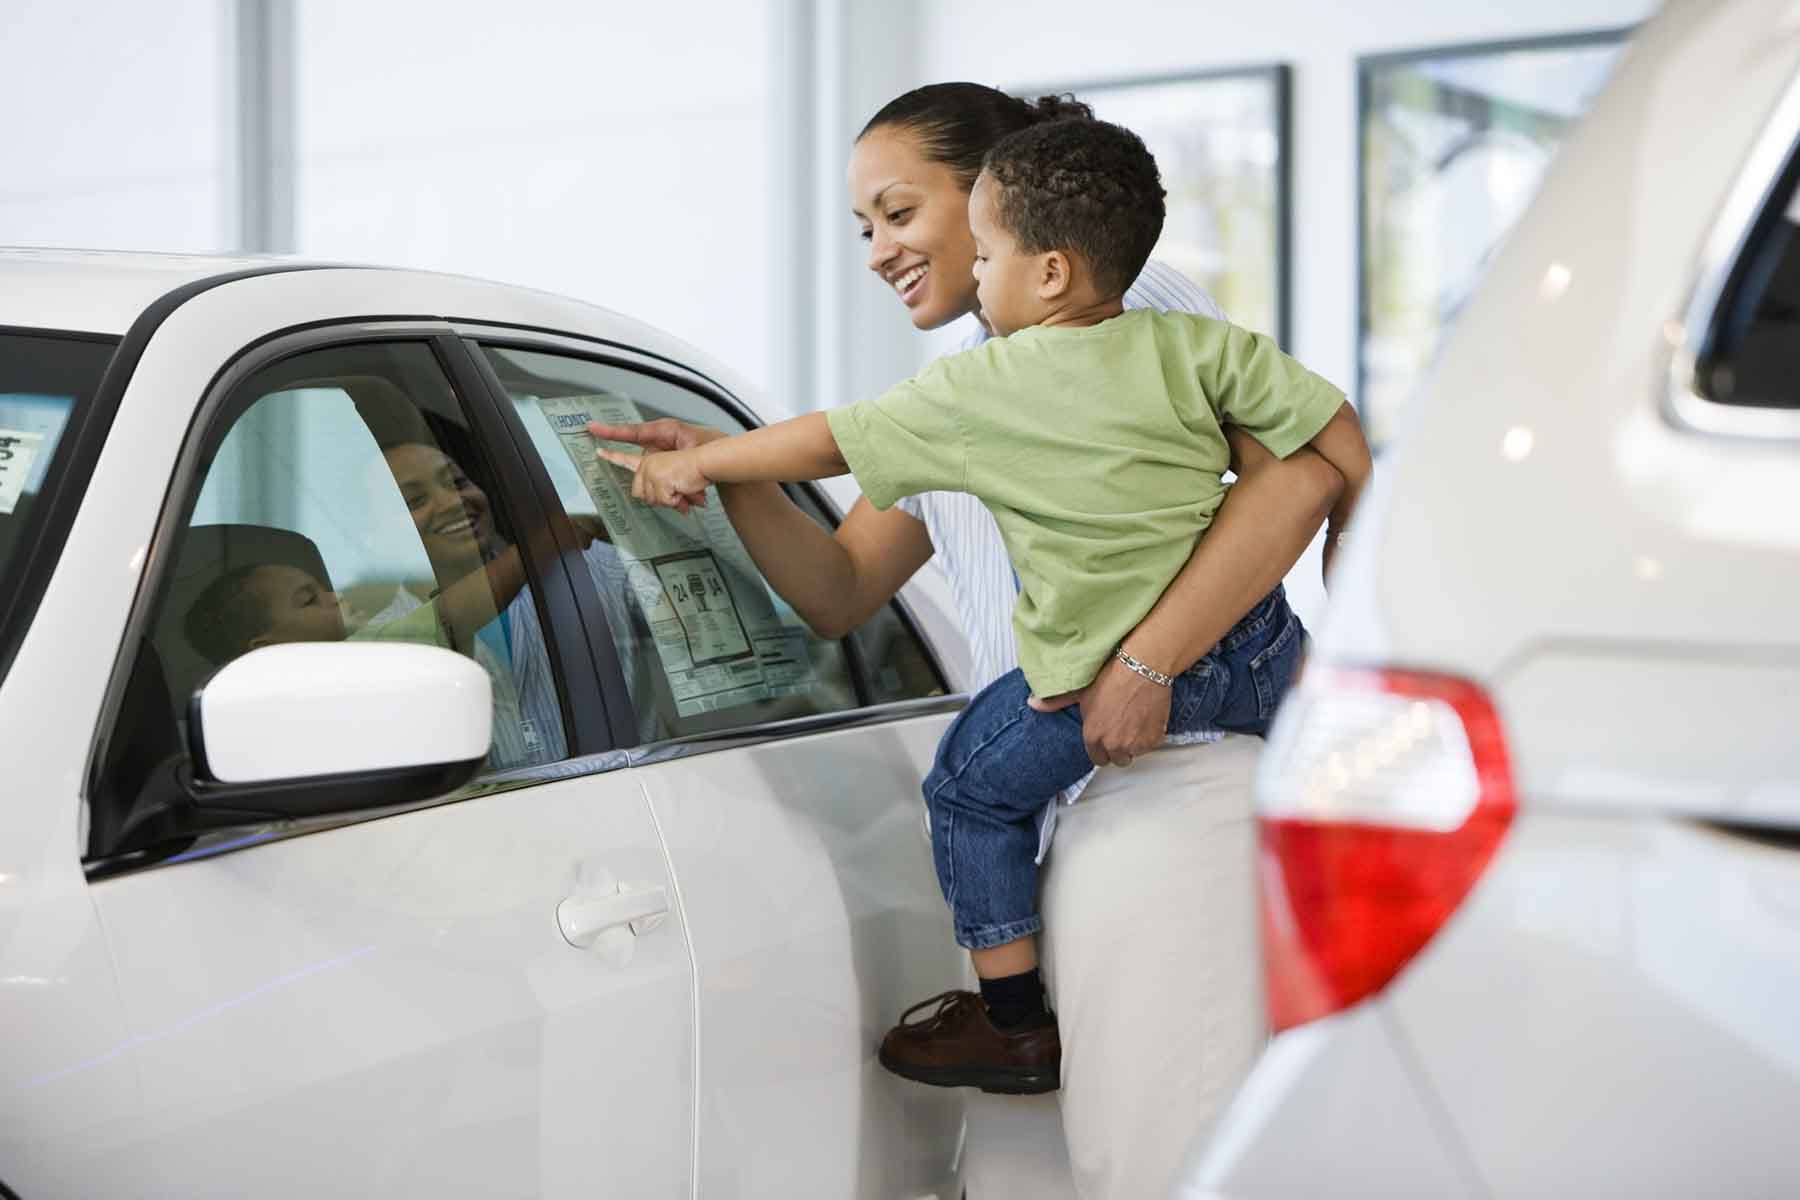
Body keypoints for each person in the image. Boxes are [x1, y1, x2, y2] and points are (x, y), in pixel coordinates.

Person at [588, 83, 1346, 1198]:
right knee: (1072, 1165)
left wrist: (1143, 667)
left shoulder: (1124, 313)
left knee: (1162, 1159)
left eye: (900, 213)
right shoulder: (963, 389)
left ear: (1000, 196)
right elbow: (841, 588)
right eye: (863, 229)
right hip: (1065, 794)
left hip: (1173, 780)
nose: (879, 250)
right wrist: (729, 468)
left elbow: (1295, 480)